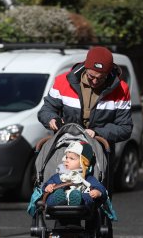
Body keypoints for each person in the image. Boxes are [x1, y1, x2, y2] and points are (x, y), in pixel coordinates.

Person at [37, 46, 133, 196]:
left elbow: (125, 128)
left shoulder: (121, 89)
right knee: (60, 194)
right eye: (91, 76)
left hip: (99, 151)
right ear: (85, 68)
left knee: (97, 201)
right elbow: (46, 110)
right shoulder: (63, 82)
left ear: (109, 73)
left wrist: (96, 133)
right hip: (66, 148)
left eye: (101, 78)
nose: (95, 81)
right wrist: (51, 119)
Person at [43, 141, 107, 207]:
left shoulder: (87, 178)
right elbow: (48, 183)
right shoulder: (60, 175)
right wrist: (48, 186)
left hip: (80, 205)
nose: (67, 160)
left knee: (88, 197)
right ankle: (59, 199)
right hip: (58, 202)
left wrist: (98, 192)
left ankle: (77, 199)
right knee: (51, 196)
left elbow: (100, 188)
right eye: (66, 157)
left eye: (71, 158)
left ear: (83, 162)